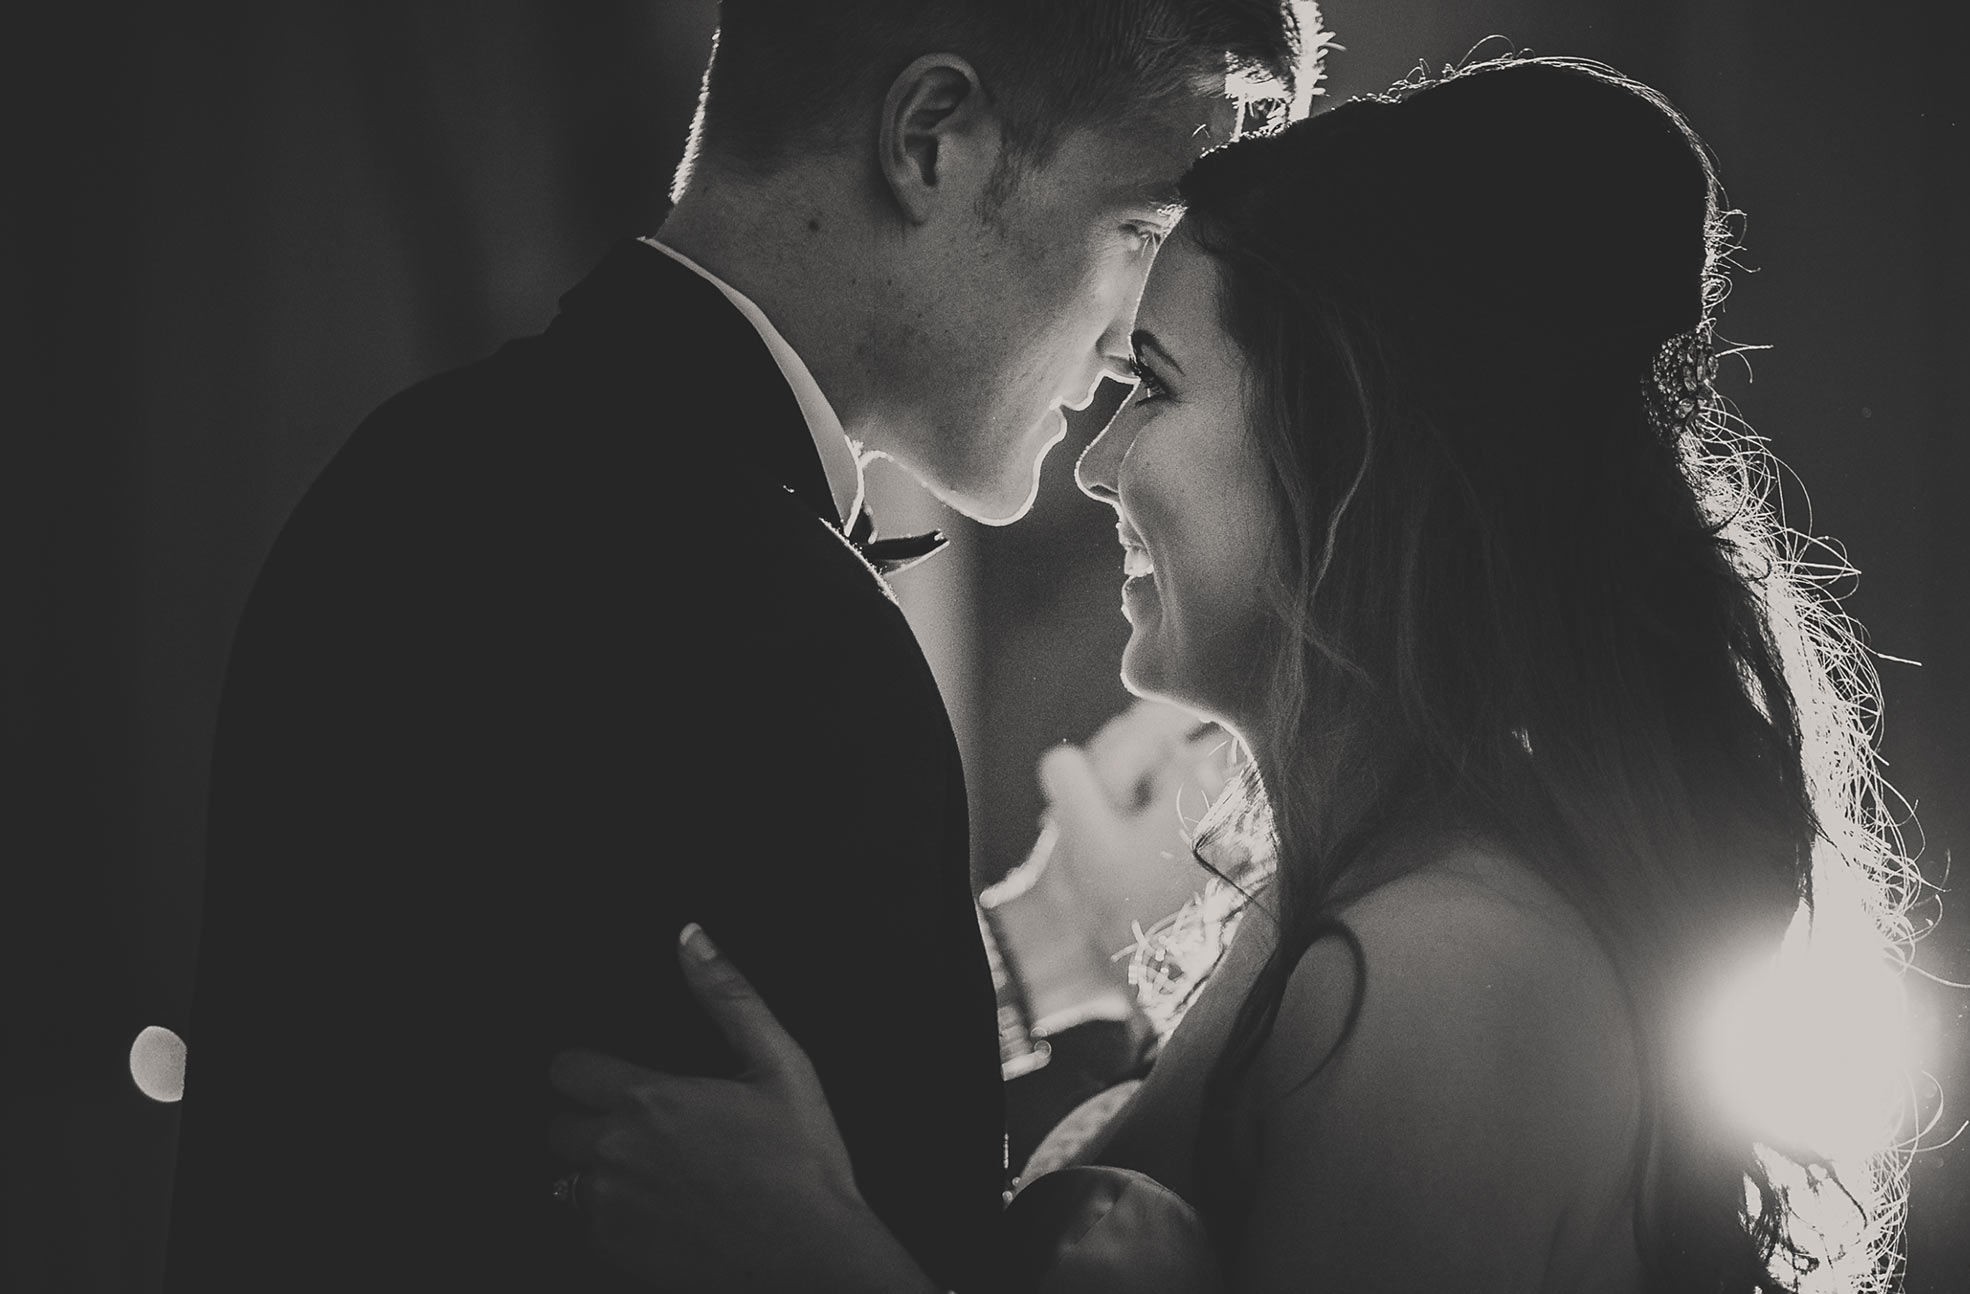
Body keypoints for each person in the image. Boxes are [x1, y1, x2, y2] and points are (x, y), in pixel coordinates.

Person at [546, 55, 1922, 1294]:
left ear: (1345, 463)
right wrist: (1045, 949)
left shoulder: (1447, 970)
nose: (1095, 459)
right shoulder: (1343, 921)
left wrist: (809, 1262)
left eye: (1155, 382)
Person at [167, 3, 1317, 1289]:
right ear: (932, 138)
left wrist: (1035, 949)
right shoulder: (786, 625)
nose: (1124, 341)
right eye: (1137, 232)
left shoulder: (403, 468)